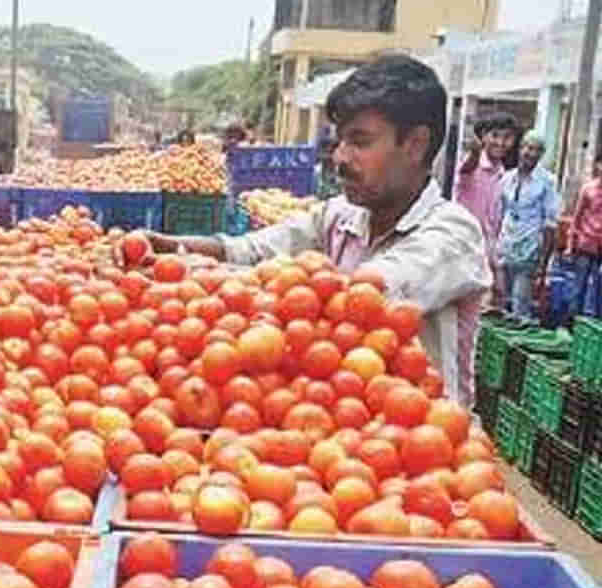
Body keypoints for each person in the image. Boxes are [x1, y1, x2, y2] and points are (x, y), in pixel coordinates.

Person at [143, 54, 491, 408]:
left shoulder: (452, 234)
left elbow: (365, 297)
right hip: (346, 426)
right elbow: (250, 250)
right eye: (340, 141)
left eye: (360, 141)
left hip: (426, 443)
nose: (339, 157)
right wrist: (173, 249)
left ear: (415, 144)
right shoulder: (342, 215)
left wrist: (215, 285)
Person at [454, 112, 517, 303]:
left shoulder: (503, 174)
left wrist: (496, 264)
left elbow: (494, 224)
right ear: (483, 138)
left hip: (486, 254)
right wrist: (474, 151)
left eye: (507, 137)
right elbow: (468, 166)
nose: (500, 142)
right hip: (462, 249)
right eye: (495, 136)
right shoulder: (472, 165)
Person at [495, 132, 560, 320]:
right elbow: (501, 214)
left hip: (528, 251)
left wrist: (543, 262)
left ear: (541, 154)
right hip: (505, 248)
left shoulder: (547, 182)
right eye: (526, 147)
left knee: (519, 306)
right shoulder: (507, 178)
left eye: (535, 150)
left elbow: (550, 223)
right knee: (500, 304)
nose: (529, 153)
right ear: (520, 148)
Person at [566, 151, 602, 317]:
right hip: (586, 244)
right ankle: (571, 322)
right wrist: (569, 245)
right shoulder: (588, 189)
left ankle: (592, 326)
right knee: (578, 285)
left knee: (597, 288)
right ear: (597, 166)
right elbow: (576, 218)